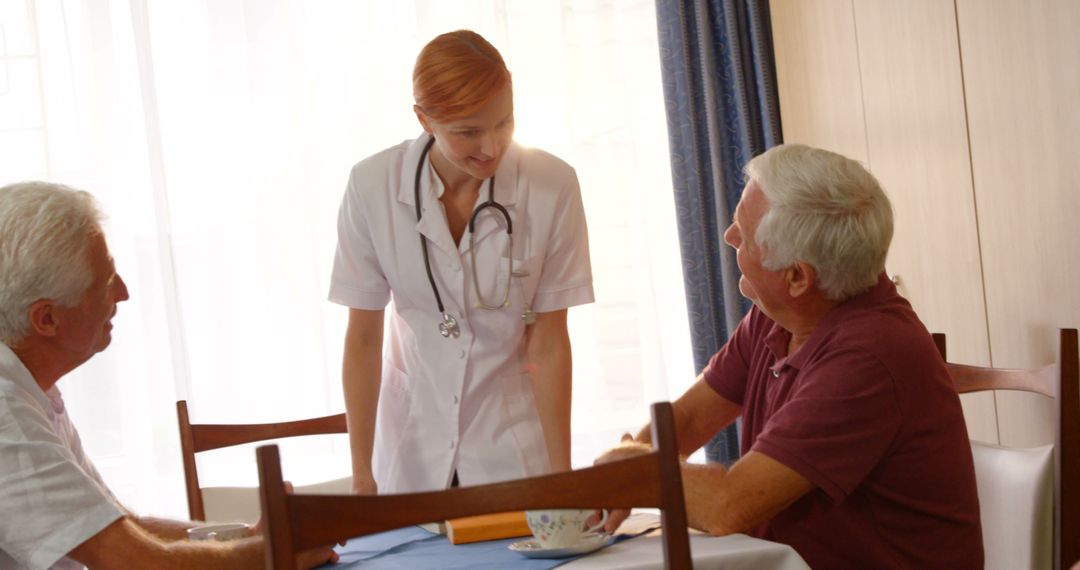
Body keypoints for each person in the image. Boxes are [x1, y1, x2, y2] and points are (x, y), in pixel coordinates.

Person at [597, 144, 983, 568]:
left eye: (743, 233)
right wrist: (618, 479)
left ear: (798, 276)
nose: (728, 238)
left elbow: (730, 505)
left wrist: (631, 470)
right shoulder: (781, 315)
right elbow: (685, 422)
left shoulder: (870, 356)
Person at [0, 181, 335, 570]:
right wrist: (275, 554)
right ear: (46, 318)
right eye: (106, 282)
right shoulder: (7, 418)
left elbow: (124, 526)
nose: (123, 293)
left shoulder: (27, 390)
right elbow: (134, 560)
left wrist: (247, 538)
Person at [329, 30, 593, 494]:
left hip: (511, 450)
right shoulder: (372, 187)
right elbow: (364, 339)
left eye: (504, 123)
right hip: (411, 451)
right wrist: (361, 476)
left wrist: (562, 480)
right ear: (424, 119)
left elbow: (549, 342)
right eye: (468, 132)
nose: (491, 148)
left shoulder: (552, 185)